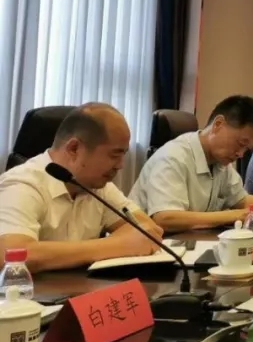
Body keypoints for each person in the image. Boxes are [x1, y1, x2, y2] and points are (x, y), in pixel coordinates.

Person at [0, 104, 164, 272]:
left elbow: (148, 229)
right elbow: (11, 255)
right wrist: (115, 245)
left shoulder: (98, 186)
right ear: (74, 148)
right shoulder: (21, 184)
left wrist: (123, 242)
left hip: (80, 286)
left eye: (123, 155)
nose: (120, 165)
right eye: (114, 155)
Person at [132, 96, 253, 232]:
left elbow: (242, 200)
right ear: (218, 124)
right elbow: (165, 218)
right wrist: (234, 215)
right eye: (240, 144)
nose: (240, 154)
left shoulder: (220, 163)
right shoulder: (173, 157)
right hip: (149, 253)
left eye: (246, 149)